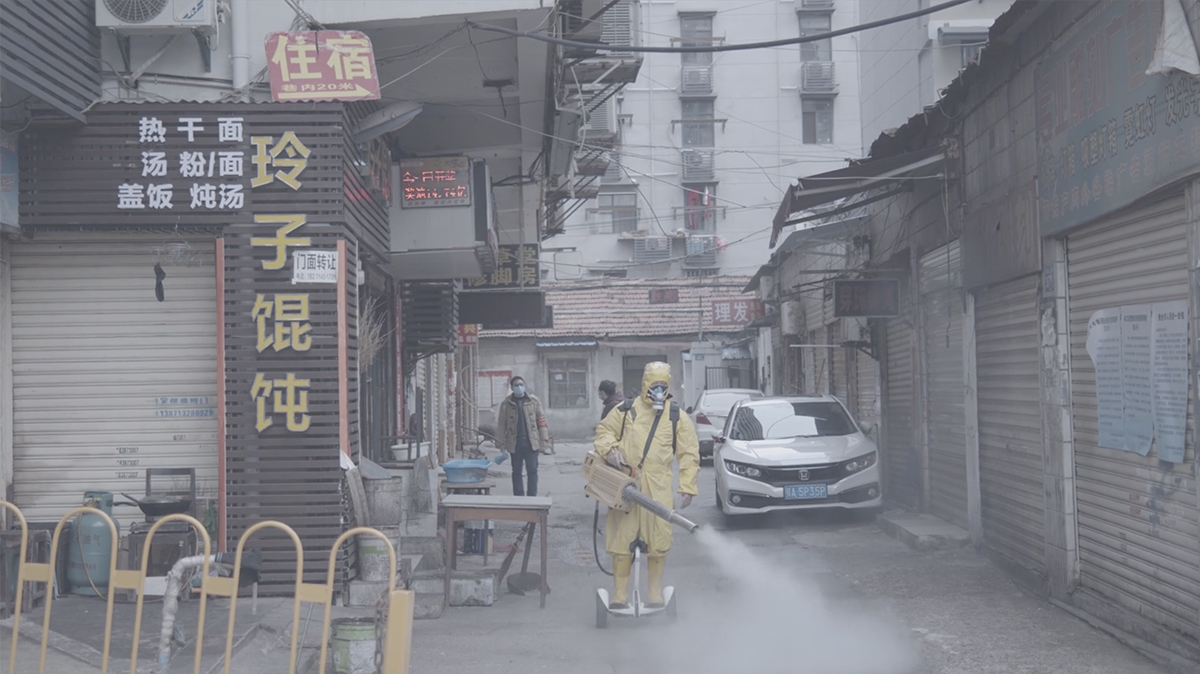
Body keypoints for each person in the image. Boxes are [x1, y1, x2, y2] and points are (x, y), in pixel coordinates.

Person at [593, 362, 699, 609]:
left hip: (659, 485)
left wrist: (687, 486)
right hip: (626, 483)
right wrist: (609, 451)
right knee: (622, 538)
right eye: (654, 385)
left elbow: (689, 453)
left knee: (658, 539)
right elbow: (603, 432)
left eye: (663, 386)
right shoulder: (625, 410)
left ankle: (654, 592)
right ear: (644, 385)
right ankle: (620, 594)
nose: (658, 390)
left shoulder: (676, 416)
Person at [496, 376, 550, 496]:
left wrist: (544, 440)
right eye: (516, 385)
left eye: (521, 384)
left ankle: (532, 496)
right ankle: (519, 497)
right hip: (515, 443)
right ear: (512, 387)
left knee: (532, 471)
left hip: (531, 443)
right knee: (516, 471)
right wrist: (500, 443)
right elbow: (501, 425)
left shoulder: (534, 401)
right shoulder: (506, 404)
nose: (519, 387)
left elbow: (541, 420)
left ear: (524, 386)